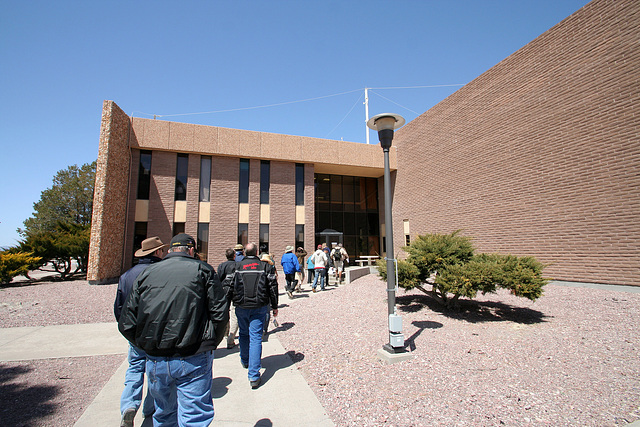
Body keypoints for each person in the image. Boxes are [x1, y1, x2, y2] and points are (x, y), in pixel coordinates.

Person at [118, 233, 229, 427]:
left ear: (169, 251)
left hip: (156, 358)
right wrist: (210, 343)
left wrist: (146, 345)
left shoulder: (146, 273)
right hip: (193, 355)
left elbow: (127, 321)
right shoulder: (203, 270)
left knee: (164, 414)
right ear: (192, 250)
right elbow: (220, 314)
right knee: (194, 417)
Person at [114, 236, 166, 427]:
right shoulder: (160, 272)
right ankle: (149, 408)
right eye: (162, 250)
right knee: (154, 370)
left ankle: (129, 405)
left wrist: (128, 330)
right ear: (157, 252)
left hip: (134, 333)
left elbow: (119, 308)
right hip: (156, 331)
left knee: (135, 368)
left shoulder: (126, 275)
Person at [228, 242, 279, 389]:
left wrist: (226, 304)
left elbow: (229, 287)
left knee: (244, 334)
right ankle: (254, 375)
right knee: (256, 337)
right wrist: (275, 306)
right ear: (257, 252)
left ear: (244, 252)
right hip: (259, 306)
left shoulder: (236, 267)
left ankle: (245, 360)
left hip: (241, 306)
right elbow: (272, 287)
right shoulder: (265, 267)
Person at [218, 248, 238, 349]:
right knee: (235, 313)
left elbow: (219, 278)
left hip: (224, 290)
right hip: (236, 291)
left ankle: (225, 332)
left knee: (225, 312)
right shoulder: (238, 265)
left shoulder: (222, 265)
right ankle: (231, 338)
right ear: (234, 256)